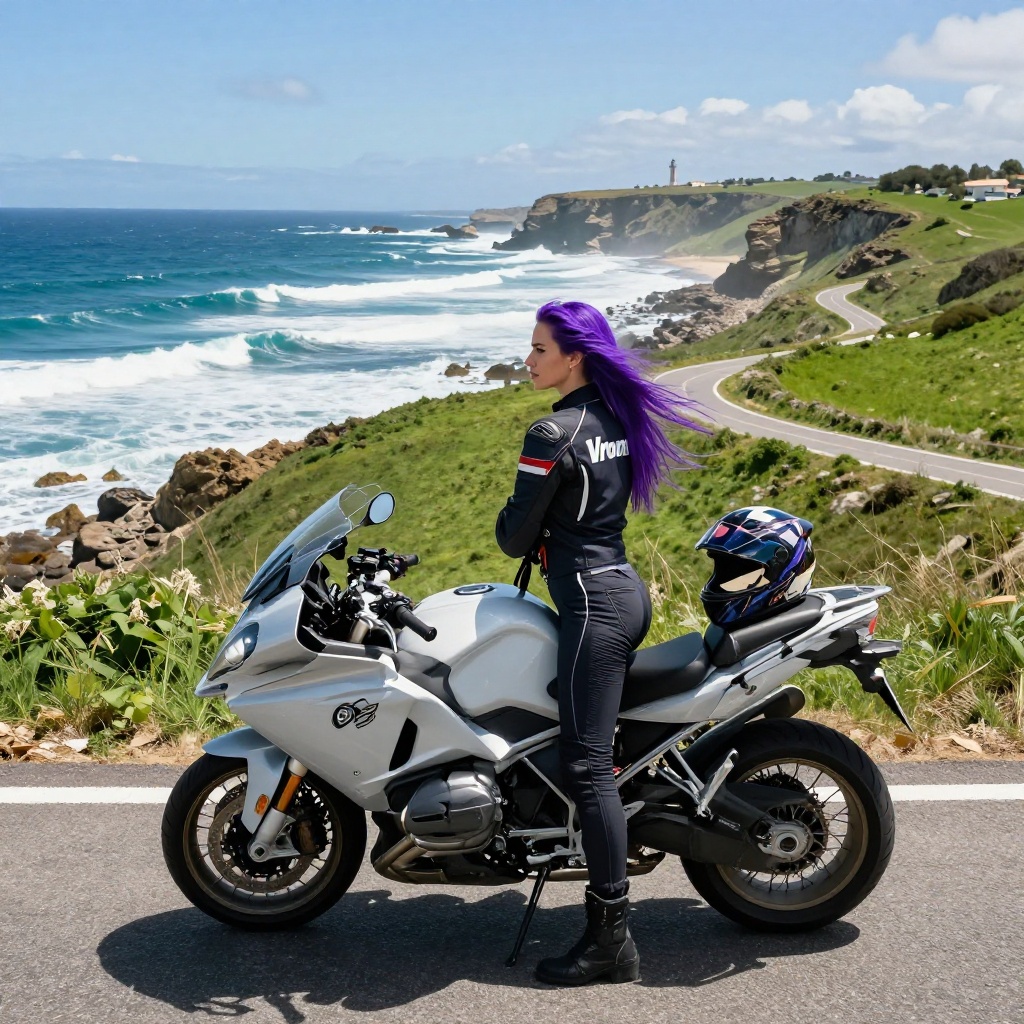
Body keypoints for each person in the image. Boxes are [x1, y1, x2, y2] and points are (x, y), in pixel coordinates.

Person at [495, 300, 706, 985]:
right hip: (620, 588)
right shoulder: (615, 419)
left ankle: (610, 940)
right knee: (586, 748)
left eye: (537, 349)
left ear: (573, 356)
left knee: (589, 766)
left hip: (590, 601)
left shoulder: (552, 432)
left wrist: (529, 508)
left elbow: (511, 536)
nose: (528, 360)